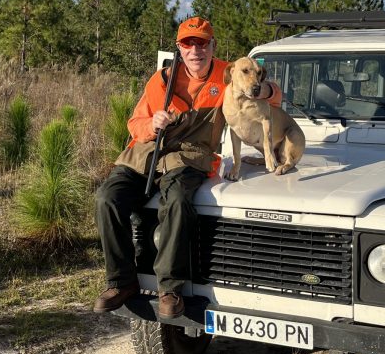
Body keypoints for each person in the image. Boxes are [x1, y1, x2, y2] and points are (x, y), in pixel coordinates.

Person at [93, 16, 280, 319]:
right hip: (146, 153)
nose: (195, 50)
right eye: (188, 43)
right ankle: (121, 282)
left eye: (202, 43)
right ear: (179, 48)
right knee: (107, 199)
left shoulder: (228, 73)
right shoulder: (161, 80)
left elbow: (271, 95)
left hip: (189, 156)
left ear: (212, 46)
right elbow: (135, 123)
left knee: (178, 201)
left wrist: (266, 90)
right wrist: (153, 124)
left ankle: (170, 288)